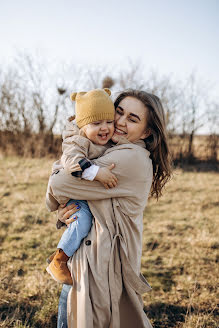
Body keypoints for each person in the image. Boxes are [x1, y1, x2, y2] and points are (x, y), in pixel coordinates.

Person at [47, 90, 172, 328]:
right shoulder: (107, 150)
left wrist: (57, 193)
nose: (120, 122)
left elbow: (59, 183)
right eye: (119, 112)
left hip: (100, 270)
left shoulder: (130, 158)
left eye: (132, 119)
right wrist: (66, 209)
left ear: (147, 132)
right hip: (85, 262)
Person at [46, 88, 118, 285]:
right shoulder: (77, 141)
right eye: (96, 123)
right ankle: (59, 259)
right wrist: (96, 172)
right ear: (83, 126)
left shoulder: (107, 140)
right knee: (83, 219)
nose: (105, 128)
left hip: (81, 189)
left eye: (109, 122)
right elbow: (71, 161)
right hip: (70, 188)